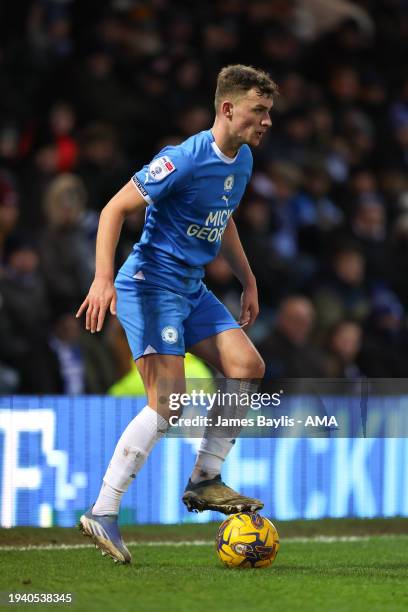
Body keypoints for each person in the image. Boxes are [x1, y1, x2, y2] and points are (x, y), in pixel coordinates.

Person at [76, 65, 278, 564]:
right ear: (228, 109)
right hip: (151, 285)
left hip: (191, 288)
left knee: (248, 367)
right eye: (259, 111)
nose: (267, 121)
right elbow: (112, 211)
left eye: (269, 112)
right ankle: (102, 511)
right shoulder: (182, 160)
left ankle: (205, 479)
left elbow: (223, 218)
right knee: (169, 402)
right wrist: (102, 279)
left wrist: (247, 279)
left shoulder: (243, 159)